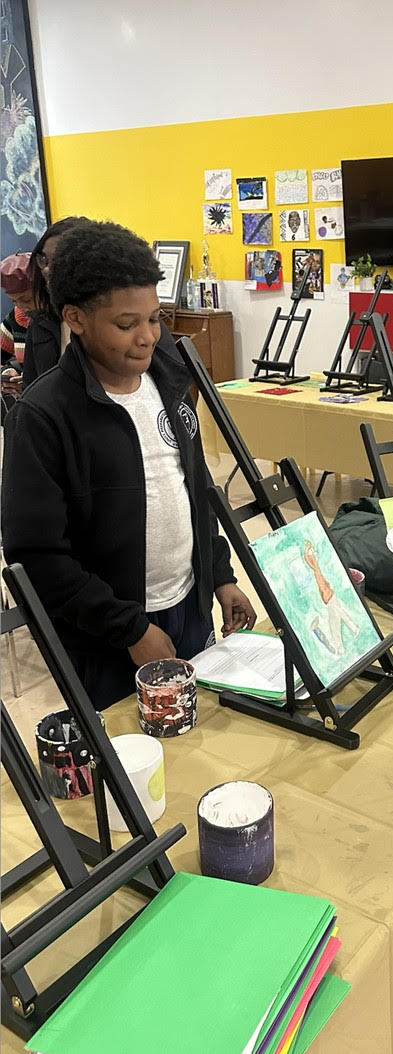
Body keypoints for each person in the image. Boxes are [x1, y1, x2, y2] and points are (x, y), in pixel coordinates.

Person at [2, 219, 256, 711]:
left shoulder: (169, 383)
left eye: (154, 319)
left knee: (204, 733)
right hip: (106, 637)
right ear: (75, 318)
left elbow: (195, 490)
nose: (147, 337)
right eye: (126, 324)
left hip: (190, 604)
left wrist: (220, 574)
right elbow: (36, 554)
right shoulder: (43, 416)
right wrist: (131, 629)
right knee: (134, 746)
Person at [22, 216, 87, 388]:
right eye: (44, 259)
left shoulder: (116, 319)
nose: (47, 269)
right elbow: (31, 387)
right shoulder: (40, 322)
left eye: (59, 259)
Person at [1, 251, 34, 404]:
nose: (22, 307)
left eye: (26, 299)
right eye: (14, 301)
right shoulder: (17, 317)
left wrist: (30, 382)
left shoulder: (61, 320)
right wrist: (7, 372)